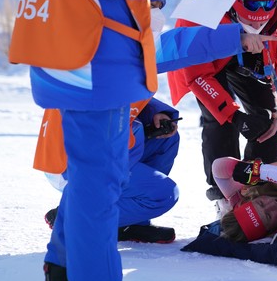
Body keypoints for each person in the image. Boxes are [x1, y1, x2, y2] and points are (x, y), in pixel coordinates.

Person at [8, 0, 277, 281]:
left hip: (79, 59)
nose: (157, 4)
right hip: (95, 72)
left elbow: (167, 47)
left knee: (89, 193)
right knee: (98, 197)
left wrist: (235, 38)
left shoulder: (102, 9)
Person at [168, 0, 277, 201]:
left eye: (261, 22)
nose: (255, 25)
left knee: (266, 118)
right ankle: (222, 193)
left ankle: (260, 188)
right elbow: (197, 73)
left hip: (254, 52)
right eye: (249, 21)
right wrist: (234, 116)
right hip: (207, 51)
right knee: (219, 120)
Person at [38, 97, 182, 244]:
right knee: (162, 195)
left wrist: (156, 113)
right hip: (74, 163)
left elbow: (134, 96)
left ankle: (130, 222)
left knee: (165, 137)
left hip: (107, 152)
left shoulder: (121, 78)